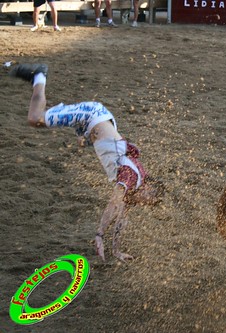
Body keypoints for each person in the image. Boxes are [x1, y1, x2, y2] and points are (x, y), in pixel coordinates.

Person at [8, 63, 165, 262]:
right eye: (149, 197)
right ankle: (39, 75)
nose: (144, 202)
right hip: (92, 115)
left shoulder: (135, 188)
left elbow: (120, 219)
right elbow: (113, 204)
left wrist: (116, 251)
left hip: (97, 125)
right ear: (148, 185)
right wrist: (99, 234)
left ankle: (82, 134)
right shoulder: (131, 176)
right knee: (34, 118)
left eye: (148, 203)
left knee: (79, 138)